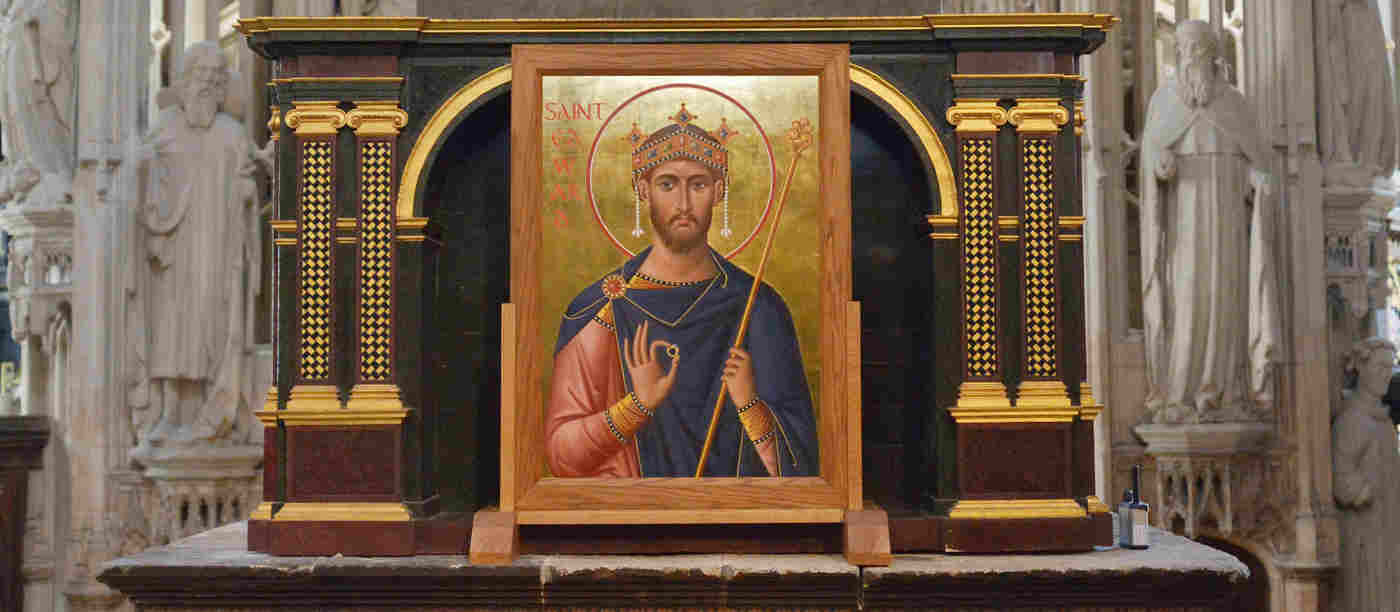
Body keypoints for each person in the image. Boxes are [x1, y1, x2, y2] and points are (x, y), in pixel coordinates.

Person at [546, 104, 818, 478]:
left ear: (719, 192)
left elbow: (803, 466)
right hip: (627, 522)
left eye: (699, 185)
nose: (684, 203)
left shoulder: (757, 306)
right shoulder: (600, 309)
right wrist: (637, 406)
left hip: (738, 522)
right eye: (668, 184)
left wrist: (750, 405)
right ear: (643, 190)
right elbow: (561, 454)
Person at [1139, 20, 1278, 424]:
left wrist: (1256, 178)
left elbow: (1257, 160)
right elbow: (1151, 159)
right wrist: (1159, 165)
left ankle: (1222, 389)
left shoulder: (1235, 104)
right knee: (1187, 297)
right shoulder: (1165, 102)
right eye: (1186, 50)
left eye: (1200, 49)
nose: (1192, 57)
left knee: (1225, 296)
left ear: (1214, 56)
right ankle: (1180, 389)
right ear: (1178, 56)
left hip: (1227, 215)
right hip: (1184, 218)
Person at [130, 42, 265, 452]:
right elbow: (142, 179)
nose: (207, 84)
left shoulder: (232, 134)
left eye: (215, 77)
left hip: (218, 252)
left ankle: (211, 413)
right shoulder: (165, 129)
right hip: (174, 250)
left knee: (211, 329)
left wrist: (247, 191)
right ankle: (169, 413)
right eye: (201, 75)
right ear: (185, 80)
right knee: (171, 332)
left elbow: (249, 180)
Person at [1332, 338, 1400, 612]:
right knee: (1369, 590)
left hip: (1386, 521)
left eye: (1390, 368)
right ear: (1361, 368)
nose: (1387, 374)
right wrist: (1363, 492)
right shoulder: (1353, 420)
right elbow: (1341, 476)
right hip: (1365, 527)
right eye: (1380, 367)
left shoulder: (1381, 421)